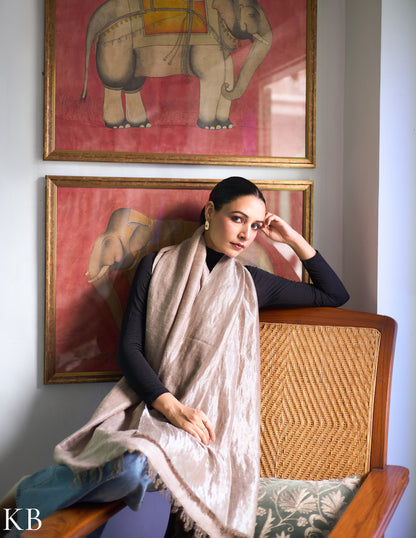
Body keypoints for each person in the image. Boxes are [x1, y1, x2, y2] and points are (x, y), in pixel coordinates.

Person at [0, 177, 349, 538]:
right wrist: (172, 408)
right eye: (238, 219)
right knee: (130, 470)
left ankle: (27, 500)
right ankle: (30, 502)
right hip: (152, 407)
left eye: (256, 226)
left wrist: (291, 239)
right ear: (210, 212)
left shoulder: (251, 283)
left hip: (209, 427)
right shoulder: (156, 266)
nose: (247, 234)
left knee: (127, 476)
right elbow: (129, 350)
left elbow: (333, 294)